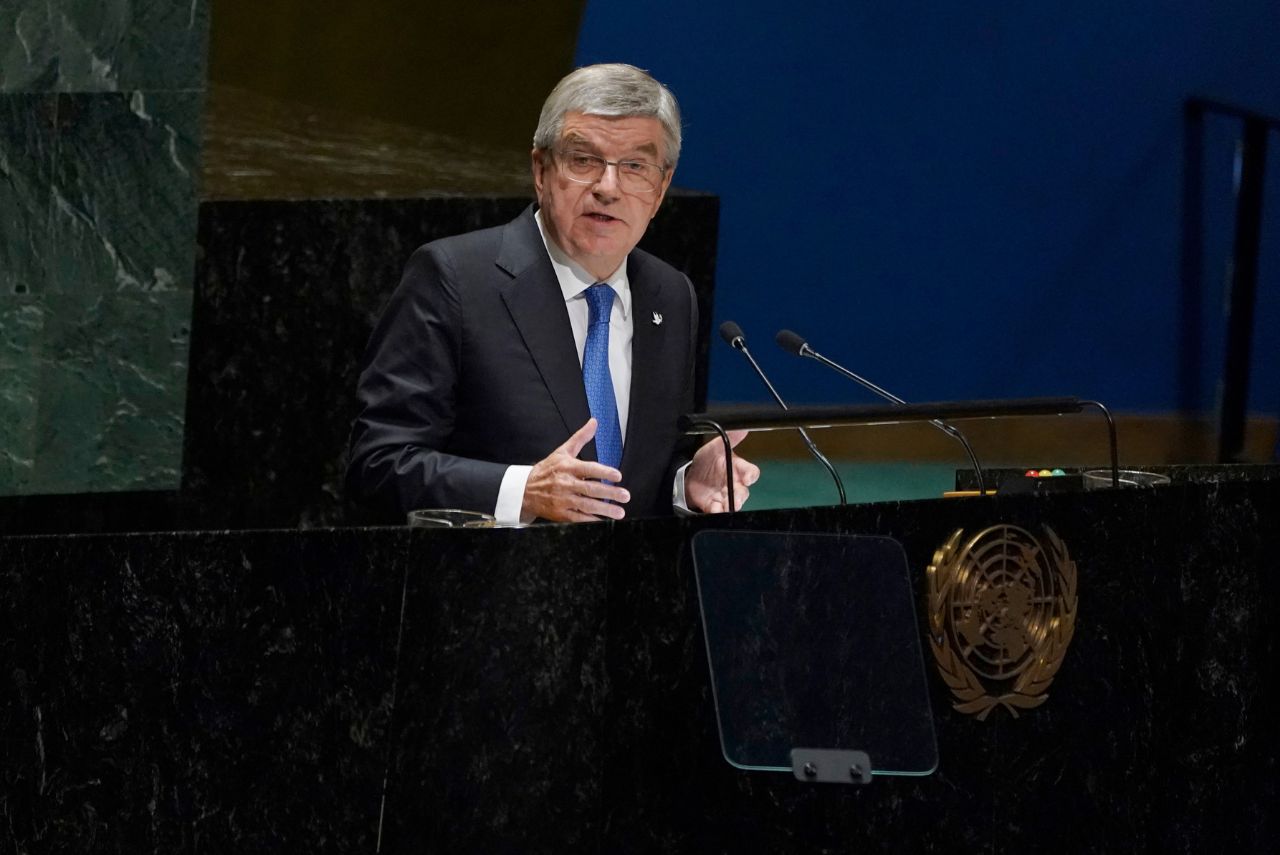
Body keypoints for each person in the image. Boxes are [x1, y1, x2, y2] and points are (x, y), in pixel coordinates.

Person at [346, 63, 758, 523]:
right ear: (541, 170)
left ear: (660, 189)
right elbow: (378, 464)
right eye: (584, 161)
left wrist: (685, 484)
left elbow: (638, 476)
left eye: (635, 167)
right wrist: (523, 492)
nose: (608, 188)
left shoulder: (671, 295)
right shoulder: (455, 279)